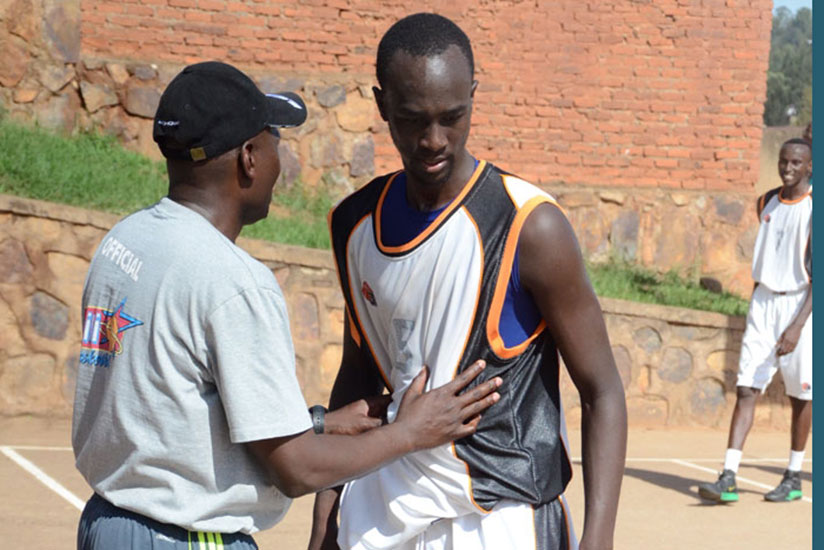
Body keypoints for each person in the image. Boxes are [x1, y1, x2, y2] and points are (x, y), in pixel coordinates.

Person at [71, 60, 504, 549]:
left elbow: (170, 403)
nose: (282, 158)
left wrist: (315, 423)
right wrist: (411, 432)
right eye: (275, 137)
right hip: (188, 537)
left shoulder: (124, 243)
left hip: (108, 524)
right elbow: (296, 471)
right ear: (249, 158)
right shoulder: (234, 283)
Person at [310, 13, 627, 550]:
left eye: (453, 117)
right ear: (382, 104)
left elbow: (603, 392)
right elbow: (357, 383)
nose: (434, 140)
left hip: (499, 522)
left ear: (474, 96)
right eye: (412, 119)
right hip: (382, 515)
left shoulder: (529, 224)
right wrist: (325, 523)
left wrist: (597, 542)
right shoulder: (355, 223)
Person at [698, 138, 812, 504]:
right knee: (747, 387)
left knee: (801, 396)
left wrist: (795, 326)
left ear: (810, 167)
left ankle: (793, 475)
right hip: (763, 301)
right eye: (783, 161)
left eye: (796, 162)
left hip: (800, 304)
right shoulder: (767, 201)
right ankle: (728, 475)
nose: (788, 168)